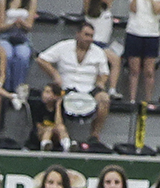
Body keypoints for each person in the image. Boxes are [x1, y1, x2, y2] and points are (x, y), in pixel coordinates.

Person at [40, 20, 112, 149]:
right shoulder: (64, 46)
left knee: (104, 99)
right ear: (77, 34)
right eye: (86, 35)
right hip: (66, 87)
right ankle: (59, 136)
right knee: (52, 95)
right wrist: (55, 74)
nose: (89, 39)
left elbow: (104, 73)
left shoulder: (98, 52)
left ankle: (94, 135)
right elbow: (42, 59)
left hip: (89, 88)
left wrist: (100, 84)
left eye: (91, 36)